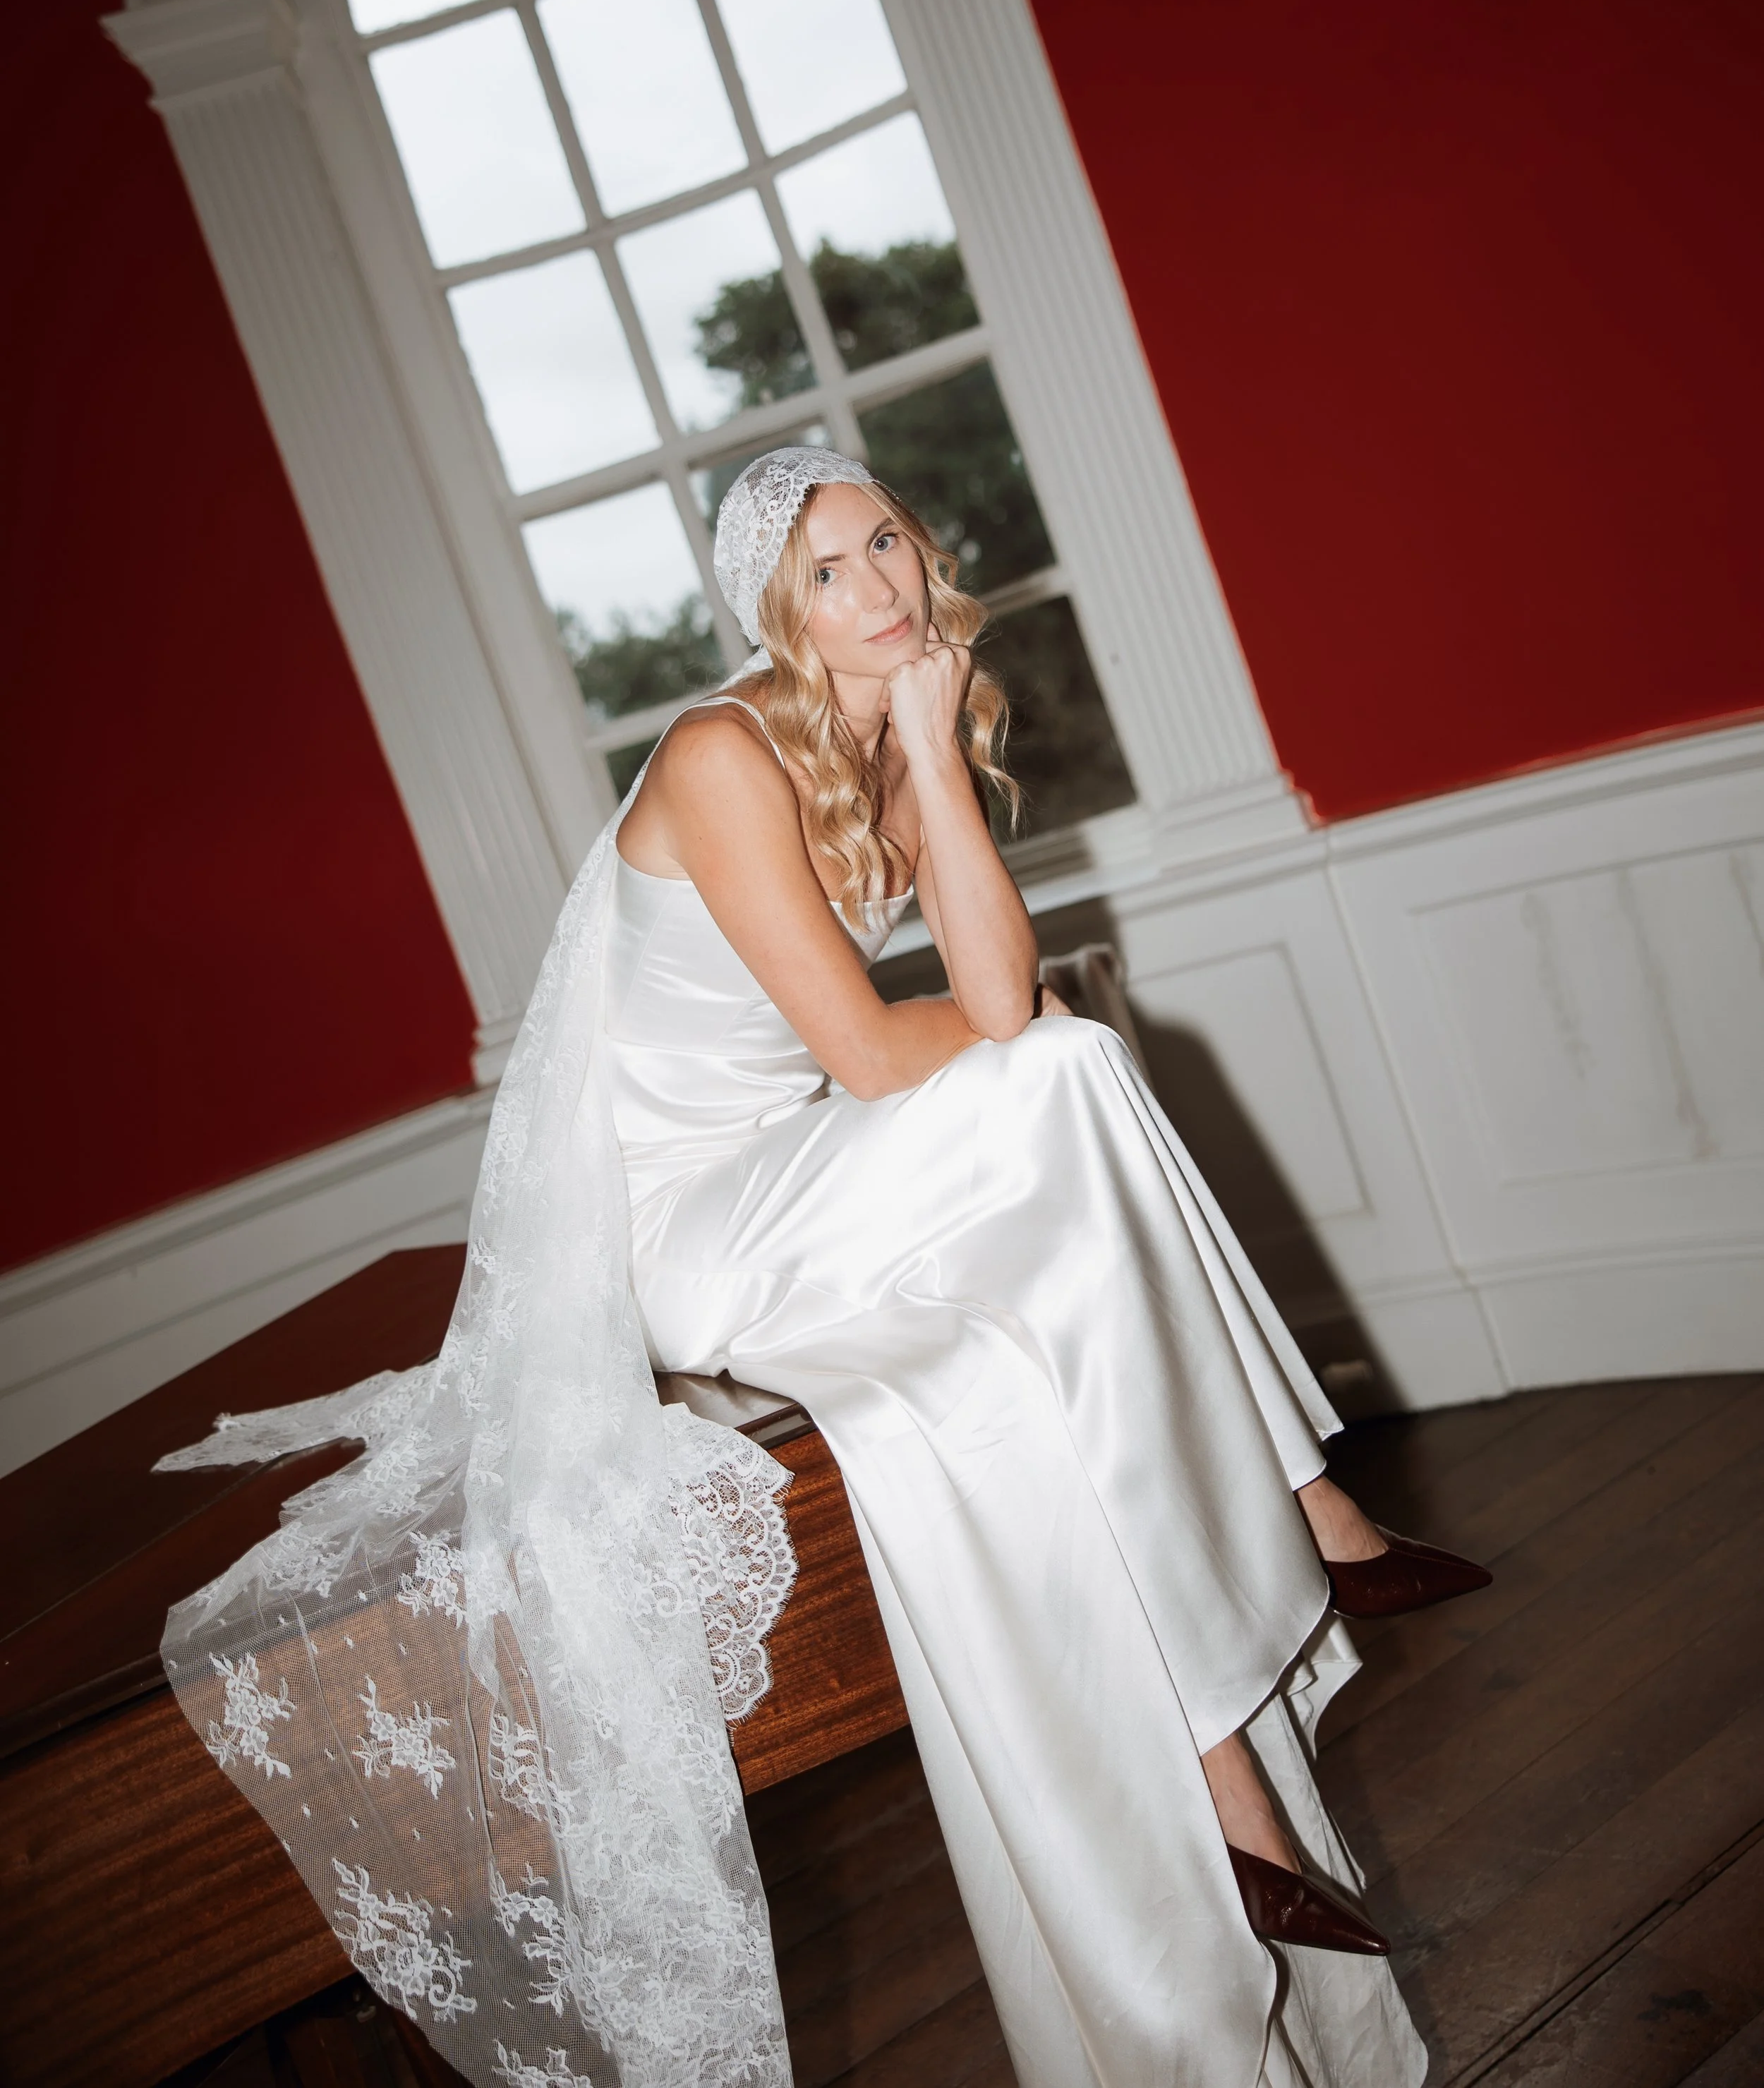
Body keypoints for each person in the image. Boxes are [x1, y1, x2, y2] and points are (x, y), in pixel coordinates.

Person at [157, 447, 1482, 2088]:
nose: (875, 592)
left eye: (885, 548)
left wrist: (929, 752)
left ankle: (1225, 1793)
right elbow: (885, 1048)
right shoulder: (723, 752)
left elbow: (988, 978)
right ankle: (1302, 1497)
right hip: (693, 1235)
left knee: (1039, 1301)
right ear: (775, 616)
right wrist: (1026, 1033)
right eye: (827, 577)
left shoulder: (885, 730)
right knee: (1064, 1068)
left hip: (804, 1186)